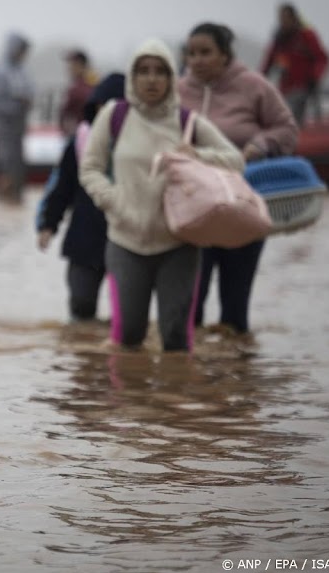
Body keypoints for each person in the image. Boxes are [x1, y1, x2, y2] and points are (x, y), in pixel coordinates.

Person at [79, 39, 243, 352]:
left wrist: (196, 154)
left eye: (160, 72)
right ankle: (130, 400)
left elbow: (236, 160)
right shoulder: (115, 115)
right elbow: (90, 168)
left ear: (171, 78)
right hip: (124, 240)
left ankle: (174, 398)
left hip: (179, 242)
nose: (151, 79)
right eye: (143, 71)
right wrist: (113, 201)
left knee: (176, 338)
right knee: (128, 337)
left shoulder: (188, 122)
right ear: (132, 77)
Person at [179, 22, 299, 335]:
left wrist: (259, 146)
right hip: (194, 211)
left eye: (206, 52)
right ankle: (188, 379)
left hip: (244, 208)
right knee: (189, 307)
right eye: (191, 53)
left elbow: (286, 128)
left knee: (235, 309)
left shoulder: (254, 85)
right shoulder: (177, 91)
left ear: (225, 54)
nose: (197, 60)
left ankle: (238, 378)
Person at [35, 72, 123, 322]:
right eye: (102, 106)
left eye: (115, 107)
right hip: (84, 239)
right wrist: (48, 225)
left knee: (126, 316)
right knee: (81, 306)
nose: (107, 113)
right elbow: (61, 189)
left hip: (128, 239)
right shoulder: (78, 145)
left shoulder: (138, 147)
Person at [0, 32, 34, 204]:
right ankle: (3, 196)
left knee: (17, 161)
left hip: (19, 126)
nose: (22, 54)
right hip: (3, 125)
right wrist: (14, 104)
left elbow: (30, 92)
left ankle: (15, 195)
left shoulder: (23, 71)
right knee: (3, 159)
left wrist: (25, 102)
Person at [259, 2, 329, 126]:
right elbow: (268, 61)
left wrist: (315, 77)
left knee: (295, 115)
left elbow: (322, 58)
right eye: (280, 18)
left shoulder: (307, 35)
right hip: (285, 86)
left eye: (285, 18)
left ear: (293, 17)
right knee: (282, 113)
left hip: (304, 85)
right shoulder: (279, 38)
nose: (283, 21)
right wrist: (259, 78)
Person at [57, 50, 94, 136]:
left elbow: (66, 112)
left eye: (72, 65)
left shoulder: (79, 88)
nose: (69, 68)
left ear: (80, 65)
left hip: (81, 135)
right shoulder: (92, 82)